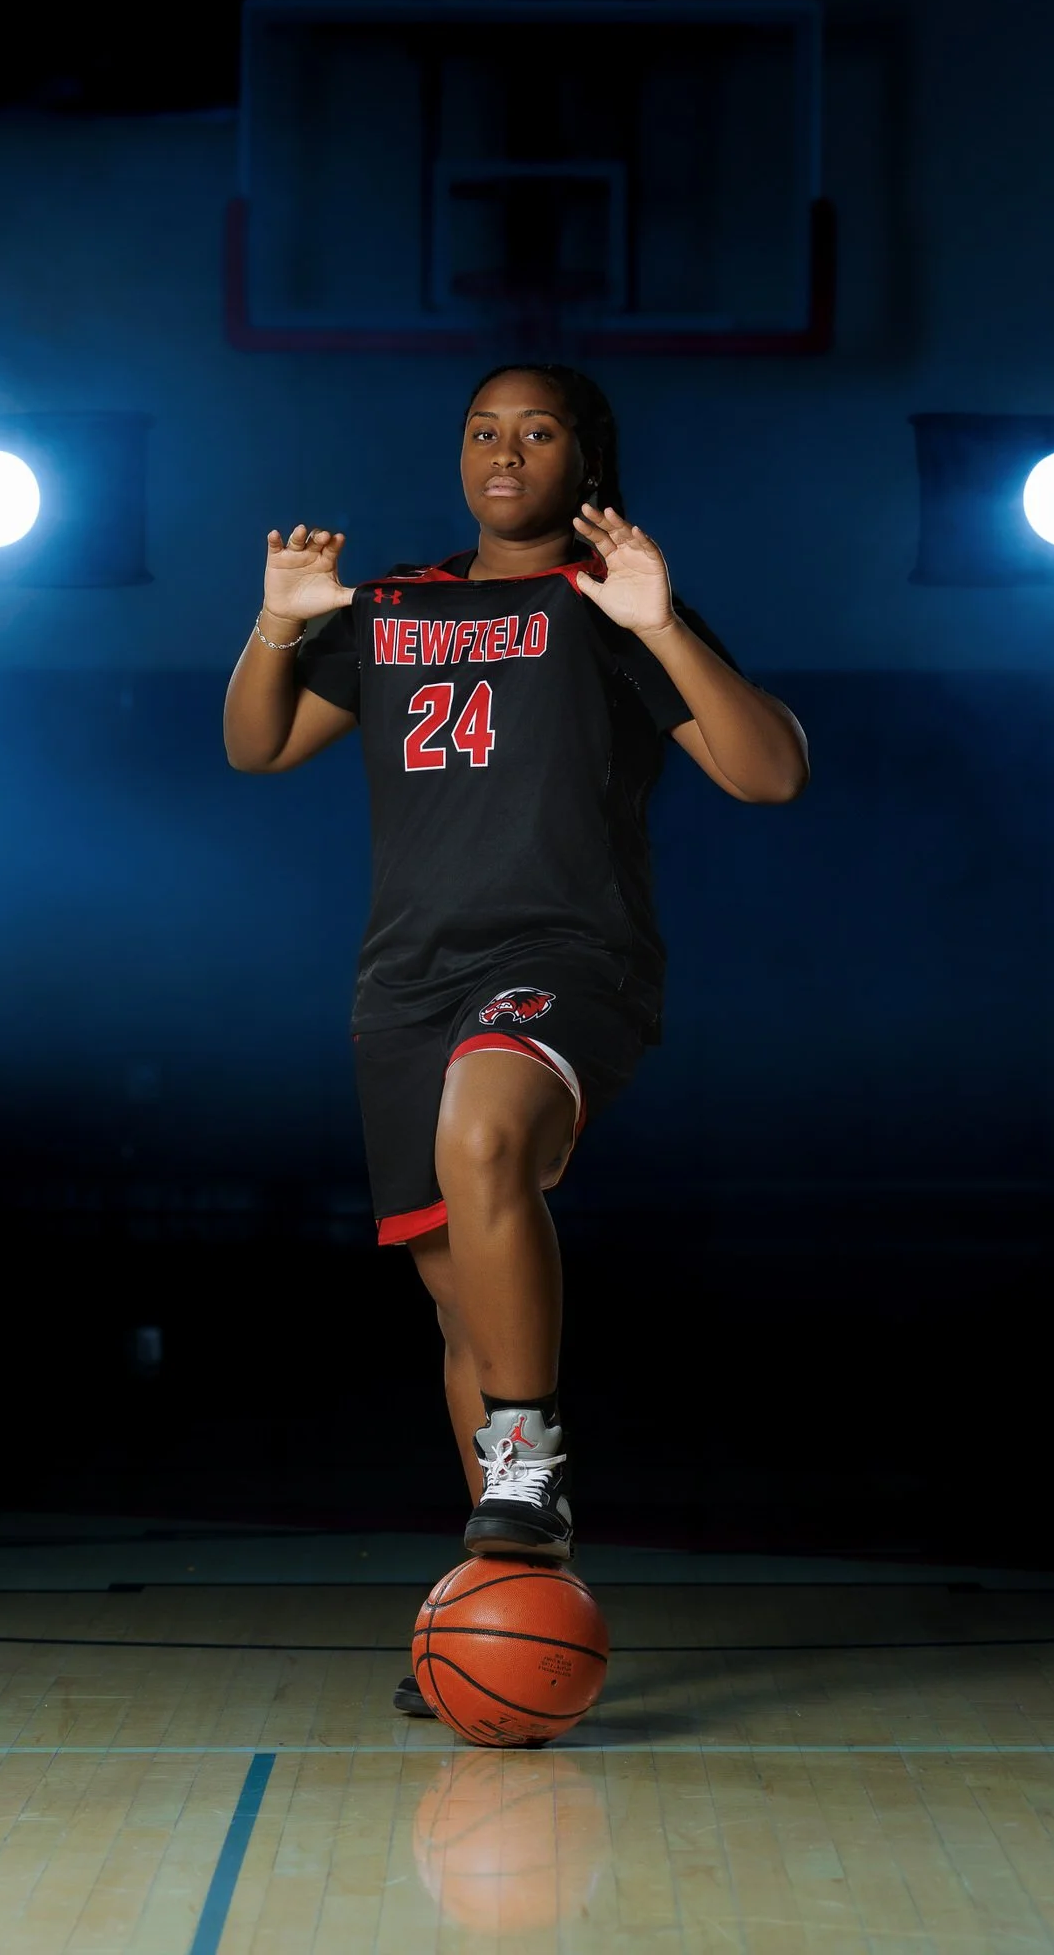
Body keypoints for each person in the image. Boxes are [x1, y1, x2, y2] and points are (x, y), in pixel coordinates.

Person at [224, 363, 807, 1714]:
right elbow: (255, 749)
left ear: (583, 458)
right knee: (458, 1310)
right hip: (403, 983)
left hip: (563, 960)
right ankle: (503, 1592)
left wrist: (661, 628)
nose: (504, 451)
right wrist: (273, 625)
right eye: (482, 429)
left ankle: (529, 1474)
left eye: (536, 431)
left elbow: (770, 772)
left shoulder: (605, 605)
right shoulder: (393, 610)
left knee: (484, 1132)